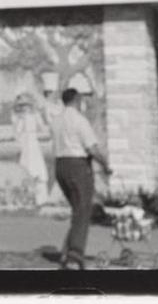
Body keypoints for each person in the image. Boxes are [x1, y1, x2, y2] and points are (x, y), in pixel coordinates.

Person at [50, 88, 111, 270]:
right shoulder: (79, 120)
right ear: (77, 100)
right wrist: (106, 165)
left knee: (78, 210)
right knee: (83, 210)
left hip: (60, 166)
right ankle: (75, 256)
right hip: (77, 165)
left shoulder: (56, 121)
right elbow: (91, 148)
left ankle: (66, 252)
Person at [11, 92, 50, 206]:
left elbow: (43, 129)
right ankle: (25, 198)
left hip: (33, 143)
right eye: (22, 106)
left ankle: (41, 198)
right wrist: (19, 121)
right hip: (24, 144)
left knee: (36, 167)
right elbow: (17, 133)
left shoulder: (35, 116)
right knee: (24, 166)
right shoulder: (18, 118)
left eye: (26, 105)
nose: (24, 108)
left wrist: (38, 134)